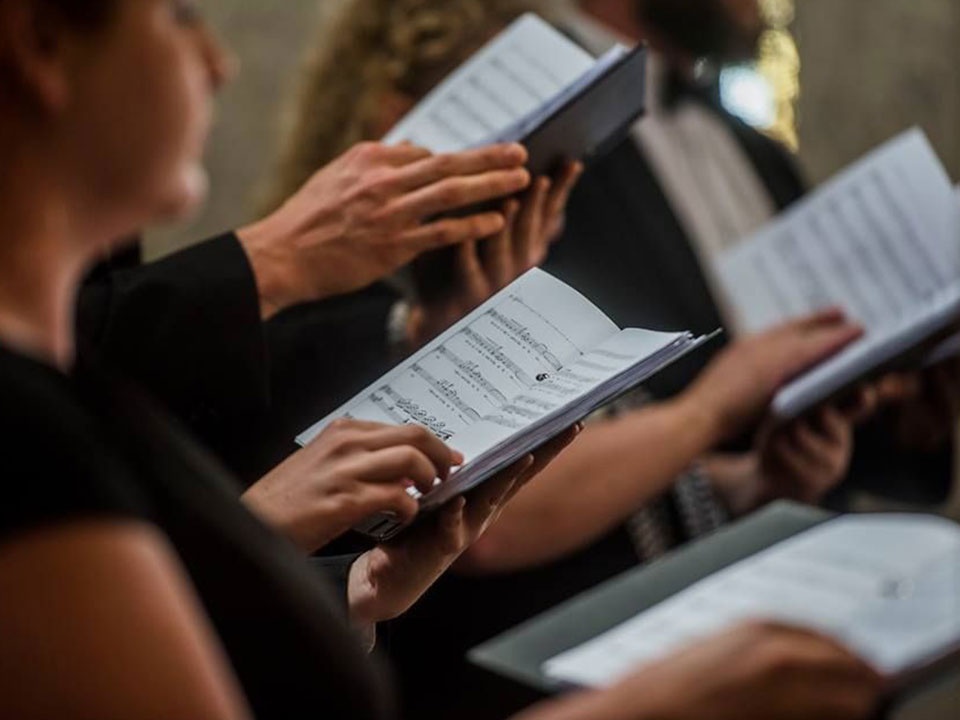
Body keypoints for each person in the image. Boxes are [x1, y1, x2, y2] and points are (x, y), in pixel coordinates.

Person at [0, 2, 883, 719]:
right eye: (179, 13)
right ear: (40, 41)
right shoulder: (39, 422)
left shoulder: (68, 401)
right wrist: (647, 705)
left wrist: (320, 571)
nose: (220, 62)